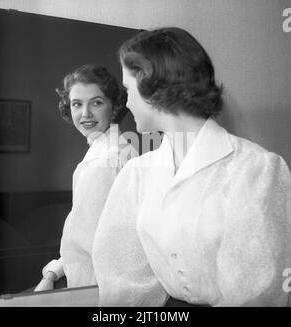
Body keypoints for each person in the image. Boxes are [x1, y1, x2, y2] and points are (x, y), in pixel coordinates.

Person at [92, 27, 291, 306]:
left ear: (153, 83)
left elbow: (259, 293)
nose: (126, 102)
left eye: (127, 89)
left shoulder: (256, 170)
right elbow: (125, 284)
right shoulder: (136, 174)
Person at [34, 64, 138, 292]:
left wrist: (51, 277)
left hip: (94, 286)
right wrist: (53, 272)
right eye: (77, 104)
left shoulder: (105, 161)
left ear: (115, 106)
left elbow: (88, 244)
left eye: (97, 102)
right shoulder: (113, 149)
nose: (85, 114)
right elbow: (81, 231)